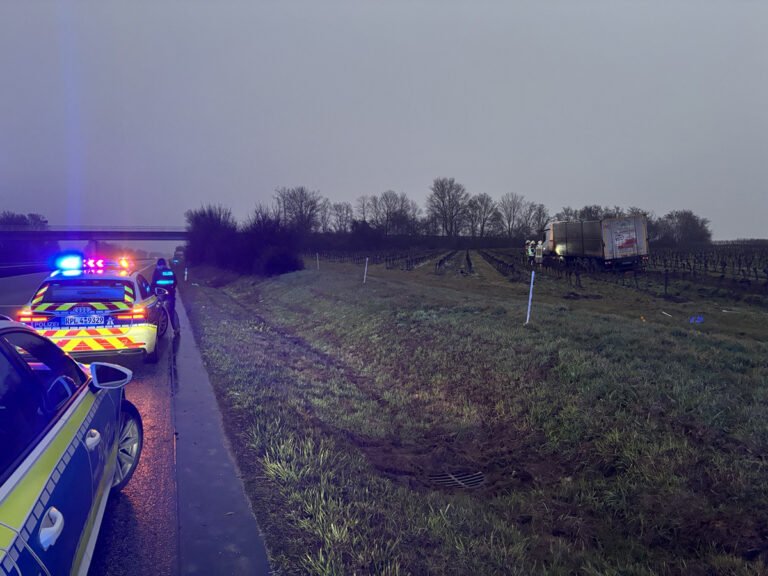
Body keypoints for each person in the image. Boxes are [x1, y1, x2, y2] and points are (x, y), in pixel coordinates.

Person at [152, 258, 180, 336]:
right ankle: (176, 328)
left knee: (158, 310)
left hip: (160, 293)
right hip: (170, 293)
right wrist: (171, 289)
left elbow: (153, 283)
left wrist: (153, 292)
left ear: (158, 264)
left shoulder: (157, 271)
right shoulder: (170, 271)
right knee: (171, 311)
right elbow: (175, 282)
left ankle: (157, 330)